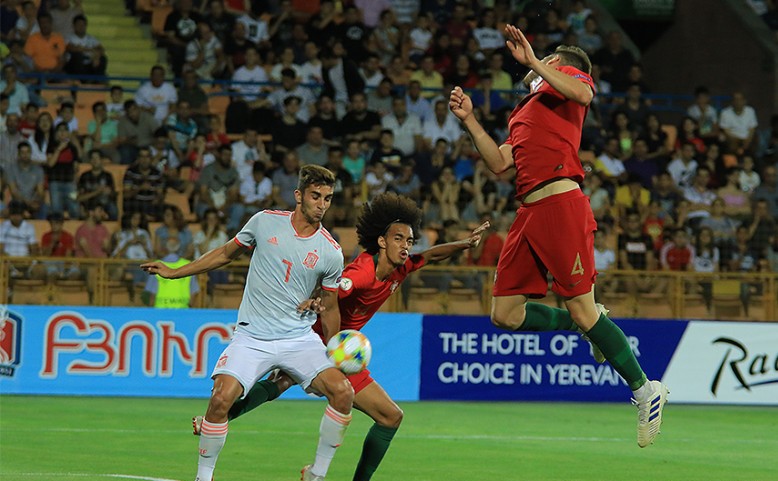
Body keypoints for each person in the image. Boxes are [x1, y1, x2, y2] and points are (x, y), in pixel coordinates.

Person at [448, 25, 668, 448]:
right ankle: (588, 325)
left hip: (561, 205)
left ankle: (645, 390)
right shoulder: (524, 111)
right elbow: (498, 162)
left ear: (554, 63)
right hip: (529, 213)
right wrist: (470, 120)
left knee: (583, 311)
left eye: (543, 60)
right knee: (505, 314)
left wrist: (534, 61)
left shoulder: (572, 78)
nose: (533, 65)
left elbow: (584, 94)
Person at [192, 192, 488, 481]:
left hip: (339, 349)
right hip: (321, 342)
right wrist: (316, 300)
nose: (406, 247)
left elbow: (431, 256)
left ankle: (216, 420)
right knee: (283, 382)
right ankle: (218, 421)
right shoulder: (362, 272)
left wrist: (464, 244)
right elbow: (338, 287)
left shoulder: (401, 268)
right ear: (382, 241)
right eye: (399, 239)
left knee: (388, 416)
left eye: (409, 241)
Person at [141, 165, 353, 481]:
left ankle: (316, 474)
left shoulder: (331, 251)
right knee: (220, 399)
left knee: (343, 392)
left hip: (298, 338)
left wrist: (332, 350)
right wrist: (175, 273)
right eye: (315, 196)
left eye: (328, 198)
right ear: (298, 195)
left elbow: (331, 307)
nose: (322, 204)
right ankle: (203, 477)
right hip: (253, 337)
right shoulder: (265, 221)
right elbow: (225, 254)